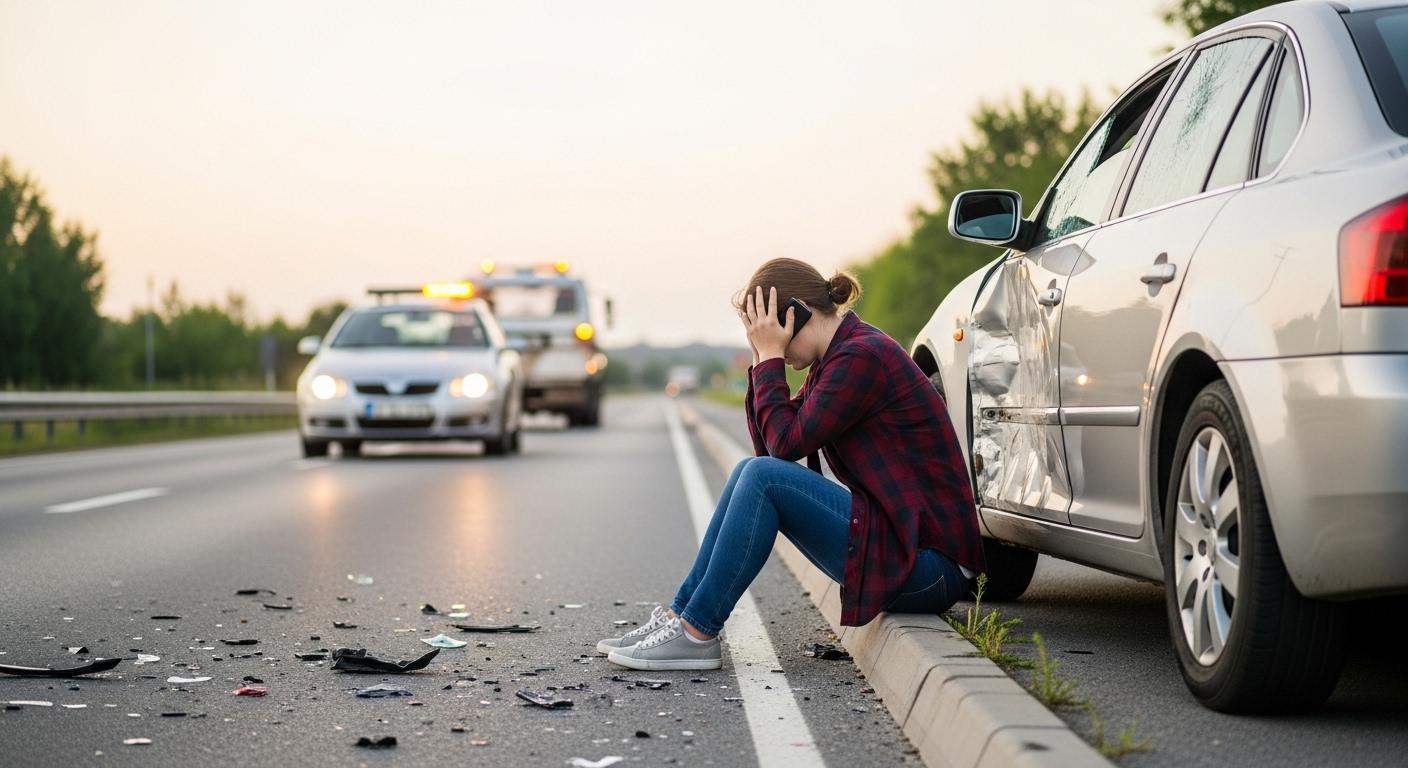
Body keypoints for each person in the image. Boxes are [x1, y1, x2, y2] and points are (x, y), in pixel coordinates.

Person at [601, 258, 985, 671]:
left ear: (794, 314)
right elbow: (769, 445)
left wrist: (770, 358)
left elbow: (782, 450)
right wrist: (760, 358)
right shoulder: (837, 359)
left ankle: (697, 632)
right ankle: (682, 619)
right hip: (904, 550)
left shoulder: (862, 357)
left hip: (931, 570)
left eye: (768, 331)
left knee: (762, 477)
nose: (774, 347)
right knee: (750, 472)